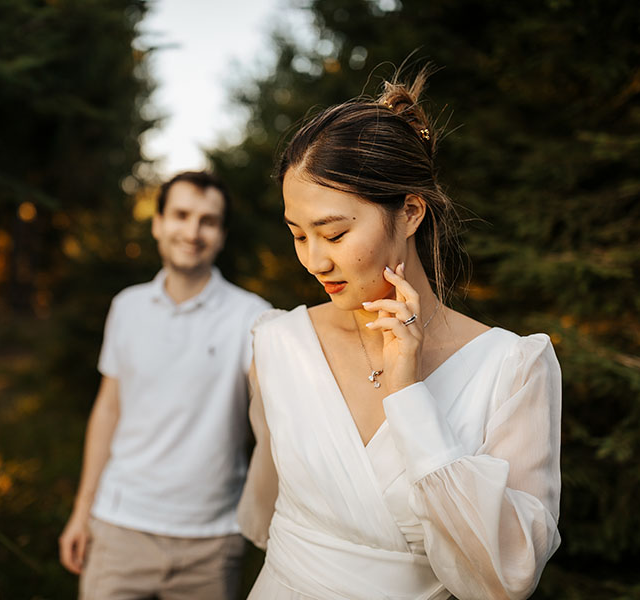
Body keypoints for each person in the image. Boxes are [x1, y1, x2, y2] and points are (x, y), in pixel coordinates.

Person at [237, 68, 562, 599]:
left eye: (335, 233)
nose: (314, 259)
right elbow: (268, 490)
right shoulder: (277, 343)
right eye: (298, 234)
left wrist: (409, 396)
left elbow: (512, 572)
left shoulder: (513, 368)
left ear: (410, 212)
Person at [59, 171, 271, 600]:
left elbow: (272, 423)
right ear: (157, 223)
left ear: (222, 234)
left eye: (208, 221)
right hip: (119, 528)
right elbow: (108, 410)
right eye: (181, 215)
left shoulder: (254, 317)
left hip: (211, 542)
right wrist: (81, 511)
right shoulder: (126, 306)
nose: (193, 231)